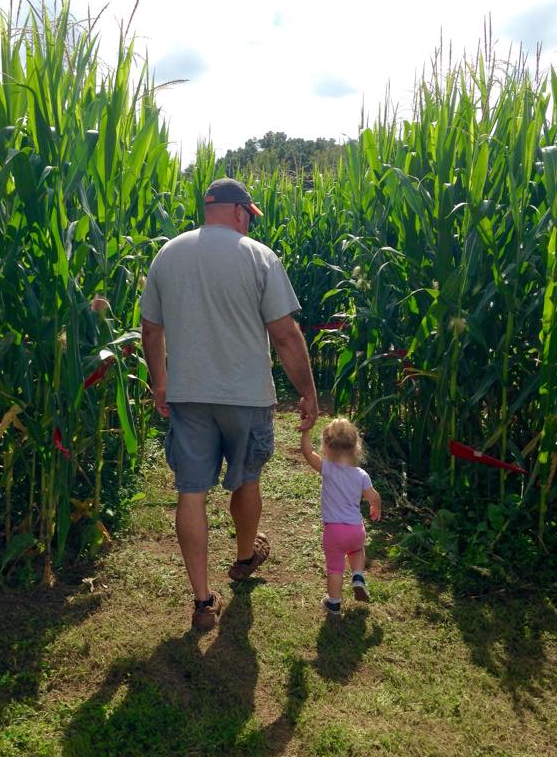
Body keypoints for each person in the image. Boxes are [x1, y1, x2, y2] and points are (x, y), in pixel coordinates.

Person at [140, 177, 318, 631]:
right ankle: (243, 557)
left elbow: (151, 329)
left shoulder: (168, 254)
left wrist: (161, 381)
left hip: (189, 395)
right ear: (240, 211)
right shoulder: (258, 256)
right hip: (245, 395)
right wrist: (308, 392)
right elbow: (284, 334)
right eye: (249, 216)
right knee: (247, 478)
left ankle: (202, 602)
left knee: (191, 490)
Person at [300, 417, 381, 614]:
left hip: (334, 532)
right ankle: (358, 576)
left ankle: (334, 602)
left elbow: (307, 453)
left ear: (326, 448)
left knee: (335, 568)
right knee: (357, 551)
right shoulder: (361, 475)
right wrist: (375, 507)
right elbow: (374, 496)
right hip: (355, 529)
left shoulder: (327, 469)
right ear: (356, 447)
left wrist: (306, 430)